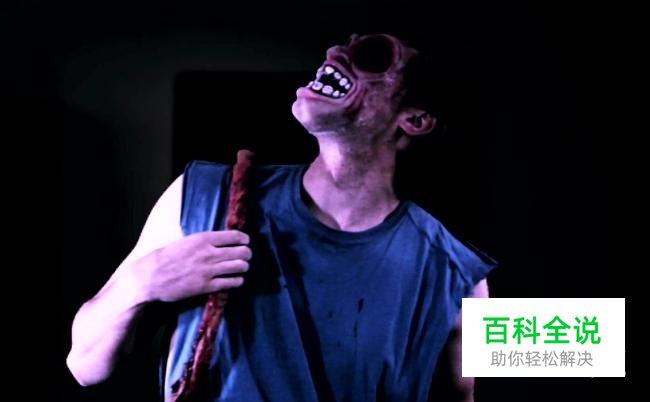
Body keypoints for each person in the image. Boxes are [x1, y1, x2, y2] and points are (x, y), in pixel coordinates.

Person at [66, 33, 496, 401]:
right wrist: (141, 283)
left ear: (415, 119)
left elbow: (480, 389)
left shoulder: (462, 276)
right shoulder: (201, 198)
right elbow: (83, 367)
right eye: (343, 46)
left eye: (372, 56)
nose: (334, 53)